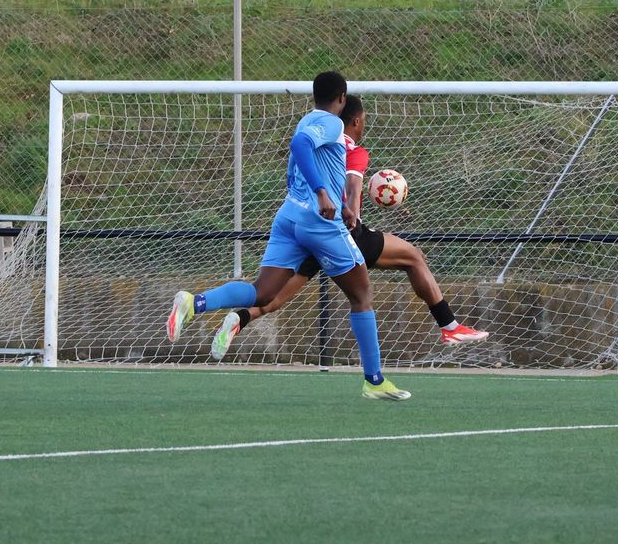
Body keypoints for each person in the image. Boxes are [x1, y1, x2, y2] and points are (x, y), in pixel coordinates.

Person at [165, 72, 411, 401]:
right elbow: (301, 147)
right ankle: (375, 381)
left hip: (289, 218)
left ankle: (193, 303)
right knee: (362, 296)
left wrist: (341, 204)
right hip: (318, 223)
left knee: (263, 293)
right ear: (341, 98)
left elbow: (305, 159)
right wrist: (323, 195)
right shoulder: (333, 124)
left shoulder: (306, 119)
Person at [208, 94, 490, 359]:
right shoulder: (353, 149)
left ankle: (239, 318)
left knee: (273, 297)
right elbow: (353, 186)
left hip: (305, 228)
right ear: (355, 121)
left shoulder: (315, 140)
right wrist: (352, 216)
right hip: (339, 232)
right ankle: (450, 327)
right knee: (412, 257)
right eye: (363, 120)